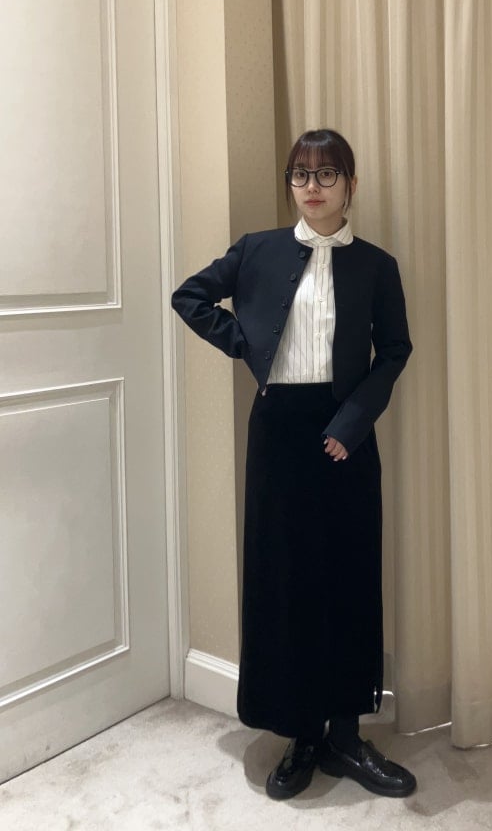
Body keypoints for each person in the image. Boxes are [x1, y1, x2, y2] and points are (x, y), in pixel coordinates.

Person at [172, 129, 415, 800]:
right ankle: (302, 732)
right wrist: (245, 344)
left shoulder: (376, 265)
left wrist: (352, 422)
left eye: (327, 174)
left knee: (349, 575)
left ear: (350, 185)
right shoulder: (257, 250)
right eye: (301, 174)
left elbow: (395, 350)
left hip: (345, 433)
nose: (312, 186)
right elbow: (190, 297)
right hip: (278, 432)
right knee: (285, 579)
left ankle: (346, 735)